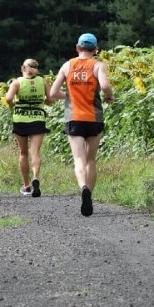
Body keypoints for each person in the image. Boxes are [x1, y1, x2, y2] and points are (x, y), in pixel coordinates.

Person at [49, 33, 114, 216]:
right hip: (94, 118)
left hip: (74, 117)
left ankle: (83, 187)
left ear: (78, 48)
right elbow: (105, 85)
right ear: (95, 49)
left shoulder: (67, 65)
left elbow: (53, 93)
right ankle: (89, 195)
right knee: (90, 160)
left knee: (79, 159)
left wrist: (69, 96)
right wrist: (108, 96)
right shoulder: (98, 65)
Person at [5, 58, 54, 197]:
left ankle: (26, 185)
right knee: (35, 152)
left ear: (23, 68)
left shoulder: (17, 82)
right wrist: (41, 100)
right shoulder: (42, 81)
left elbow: (8, 99)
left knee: (23, 153)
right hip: (38, 119)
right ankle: (36, 177)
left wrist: (13, 105)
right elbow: (51, 100)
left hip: (20, 119)